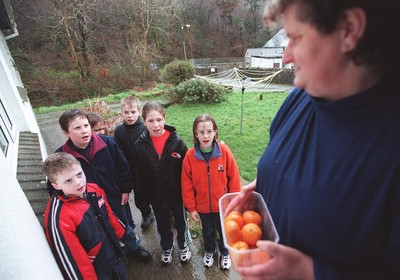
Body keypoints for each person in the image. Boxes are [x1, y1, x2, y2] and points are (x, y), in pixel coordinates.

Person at [227, 0, 400, 279]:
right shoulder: (299, 99)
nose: (285, 57)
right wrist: (266, 186)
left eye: (295, 38)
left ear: (349, 30)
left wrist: (307, 272)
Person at [47, 109, 152, 263]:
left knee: (124, 226)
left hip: (114, 198)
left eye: (86, 125)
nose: (84, 131)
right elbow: (55, 190)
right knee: (100, 232)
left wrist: (124, 190)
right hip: (86, 207)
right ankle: (115, 253)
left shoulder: (107, 143)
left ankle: (134, 247)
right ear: (65, 133)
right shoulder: (62, 158)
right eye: (77, 128)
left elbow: (123, 167)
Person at [42, 152, 128, 279]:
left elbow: (108, 213)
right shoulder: (59, 217)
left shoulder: (93, 189)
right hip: (98, 270)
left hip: (115, 255)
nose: (78, 182)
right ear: (56, 185)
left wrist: (122, 233)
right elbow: (72, 261)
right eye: (68, 180)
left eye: (79, 174)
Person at [131, 101, 191, 265]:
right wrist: (141, 199)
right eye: (150, 121)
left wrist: (188, 195)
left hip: (177, 194)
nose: (155, 125)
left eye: (159, 119)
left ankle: (184, 245)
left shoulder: (177, 142)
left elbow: (187, 171)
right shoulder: (139, 146)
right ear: (144, 122)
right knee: (163, 223)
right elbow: (137, 175)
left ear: (164, 119)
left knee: (181, 222)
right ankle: (167, 246)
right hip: (156, 195)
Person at [181, 114, 241, 269]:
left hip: (223, 206)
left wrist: (234, 202)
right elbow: (186, 184)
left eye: (209, 131)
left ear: (215, 131)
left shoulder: (225, 152)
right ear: (195, 134)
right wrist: (191, 208)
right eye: (201, 132)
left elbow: (233, 178)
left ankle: (225, 252)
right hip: (202, 207)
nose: (205, 135)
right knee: (207, 231)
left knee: (224, 231)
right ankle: (209, 250)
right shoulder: (189, 156)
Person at [114, 96, 155, 229]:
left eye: (133, 112)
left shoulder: (145, 128)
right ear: (122, 113)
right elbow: (118, 151)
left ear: (139, 111)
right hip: (132, 170)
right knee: (139, 198)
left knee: (156, 192)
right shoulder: (119, 131)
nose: (130, 116)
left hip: (149, 169)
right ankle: (147, 213)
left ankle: (167, 213)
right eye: (126, 112)